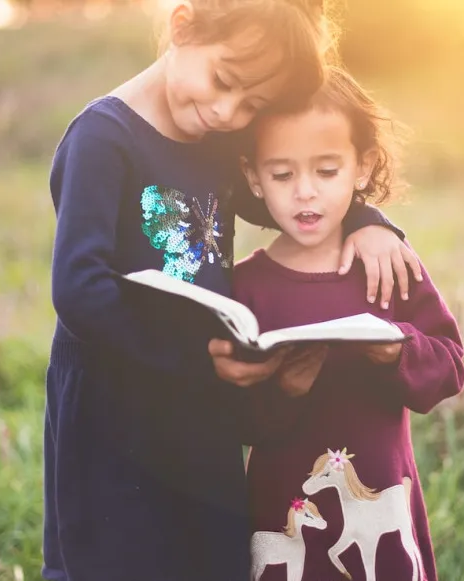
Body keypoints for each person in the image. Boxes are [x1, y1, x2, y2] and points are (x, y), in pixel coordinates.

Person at [42, 1, 421, 579]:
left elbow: (287, 201)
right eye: (224, 81)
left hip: (202, 410)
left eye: (252, 105)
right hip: (114, 411)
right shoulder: (102, 139)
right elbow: (78, 289)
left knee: (211, 554)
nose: (227, 111)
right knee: (119, 558)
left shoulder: (217, 141)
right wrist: (198, 360)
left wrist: (370, 222)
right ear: (181, 25)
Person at [230, 66, 464, 581]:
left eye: (327, 171)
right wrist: (284, 391)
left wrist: (397, 350)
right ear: (253, 176)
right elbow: (233, 420)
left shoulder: (388, 264)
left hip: (380, 494)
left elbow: (450, 365)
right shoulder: (244, 288)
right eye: (282, 174)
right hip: (282, 506)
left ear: (363, 167)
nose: (305, 193)